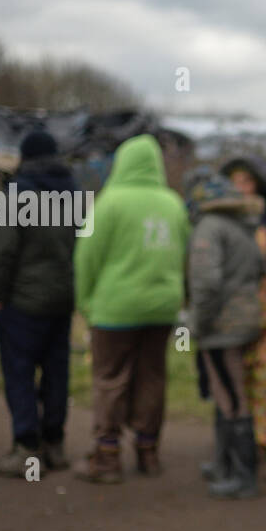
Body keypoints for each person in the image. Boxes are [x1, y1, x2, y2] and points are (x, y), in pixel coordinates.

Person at [74, 133, 190, 483]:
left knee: (110, 380)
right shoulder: (173, 204)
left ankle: (107, 457)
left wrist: (87, 304)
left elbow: (86, 259)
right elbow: (184, 255)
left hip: (115, 308)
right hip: (162, 308)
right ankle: (148, 451)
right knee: (152, 377)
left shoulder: (108, 203)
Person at [0, 130, 78, 477]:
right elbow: (82, 246)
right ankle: (55, 444)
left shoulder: (15, 194)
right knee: (57, 371)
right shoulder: (74, 193)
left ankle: (27, 449)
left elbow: (4, 251)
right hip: (63, 298)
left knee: (20, 373)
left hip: (22, 302)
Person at [186, 170, 266, 499]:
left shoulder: (209, 228)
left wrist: (196, 324)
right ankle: (226, 465)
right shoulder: (243, 227)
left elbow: (206, 283)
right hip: (243, 320)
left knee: (231, 396)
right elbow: (260, 270)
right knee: (230, 392)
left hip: (221, 327)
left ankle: (243, 475)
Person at [221, 156, 266, 454]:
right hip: (235, 317)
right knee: (239, 379)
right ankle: (239, 438)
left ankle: (264, 439)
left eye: (247, 181)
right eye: (234, 182)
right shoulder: (221, 220)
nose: (241, 188)